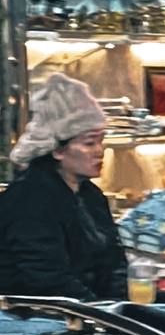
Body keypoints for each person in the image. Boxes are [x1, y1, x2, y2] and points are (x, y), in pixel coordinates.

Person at [0, 73, 128, 301]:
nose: (99, 151)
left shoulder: (91, 195)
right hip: (36, 317)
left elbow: (113, 263)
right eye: (89, 143)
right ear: (57, 150)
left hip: (87, 307)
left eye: (101, 141)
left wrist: (128, 303)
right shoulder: (28, 198)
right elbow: (47, 280)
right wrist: (101, 315)